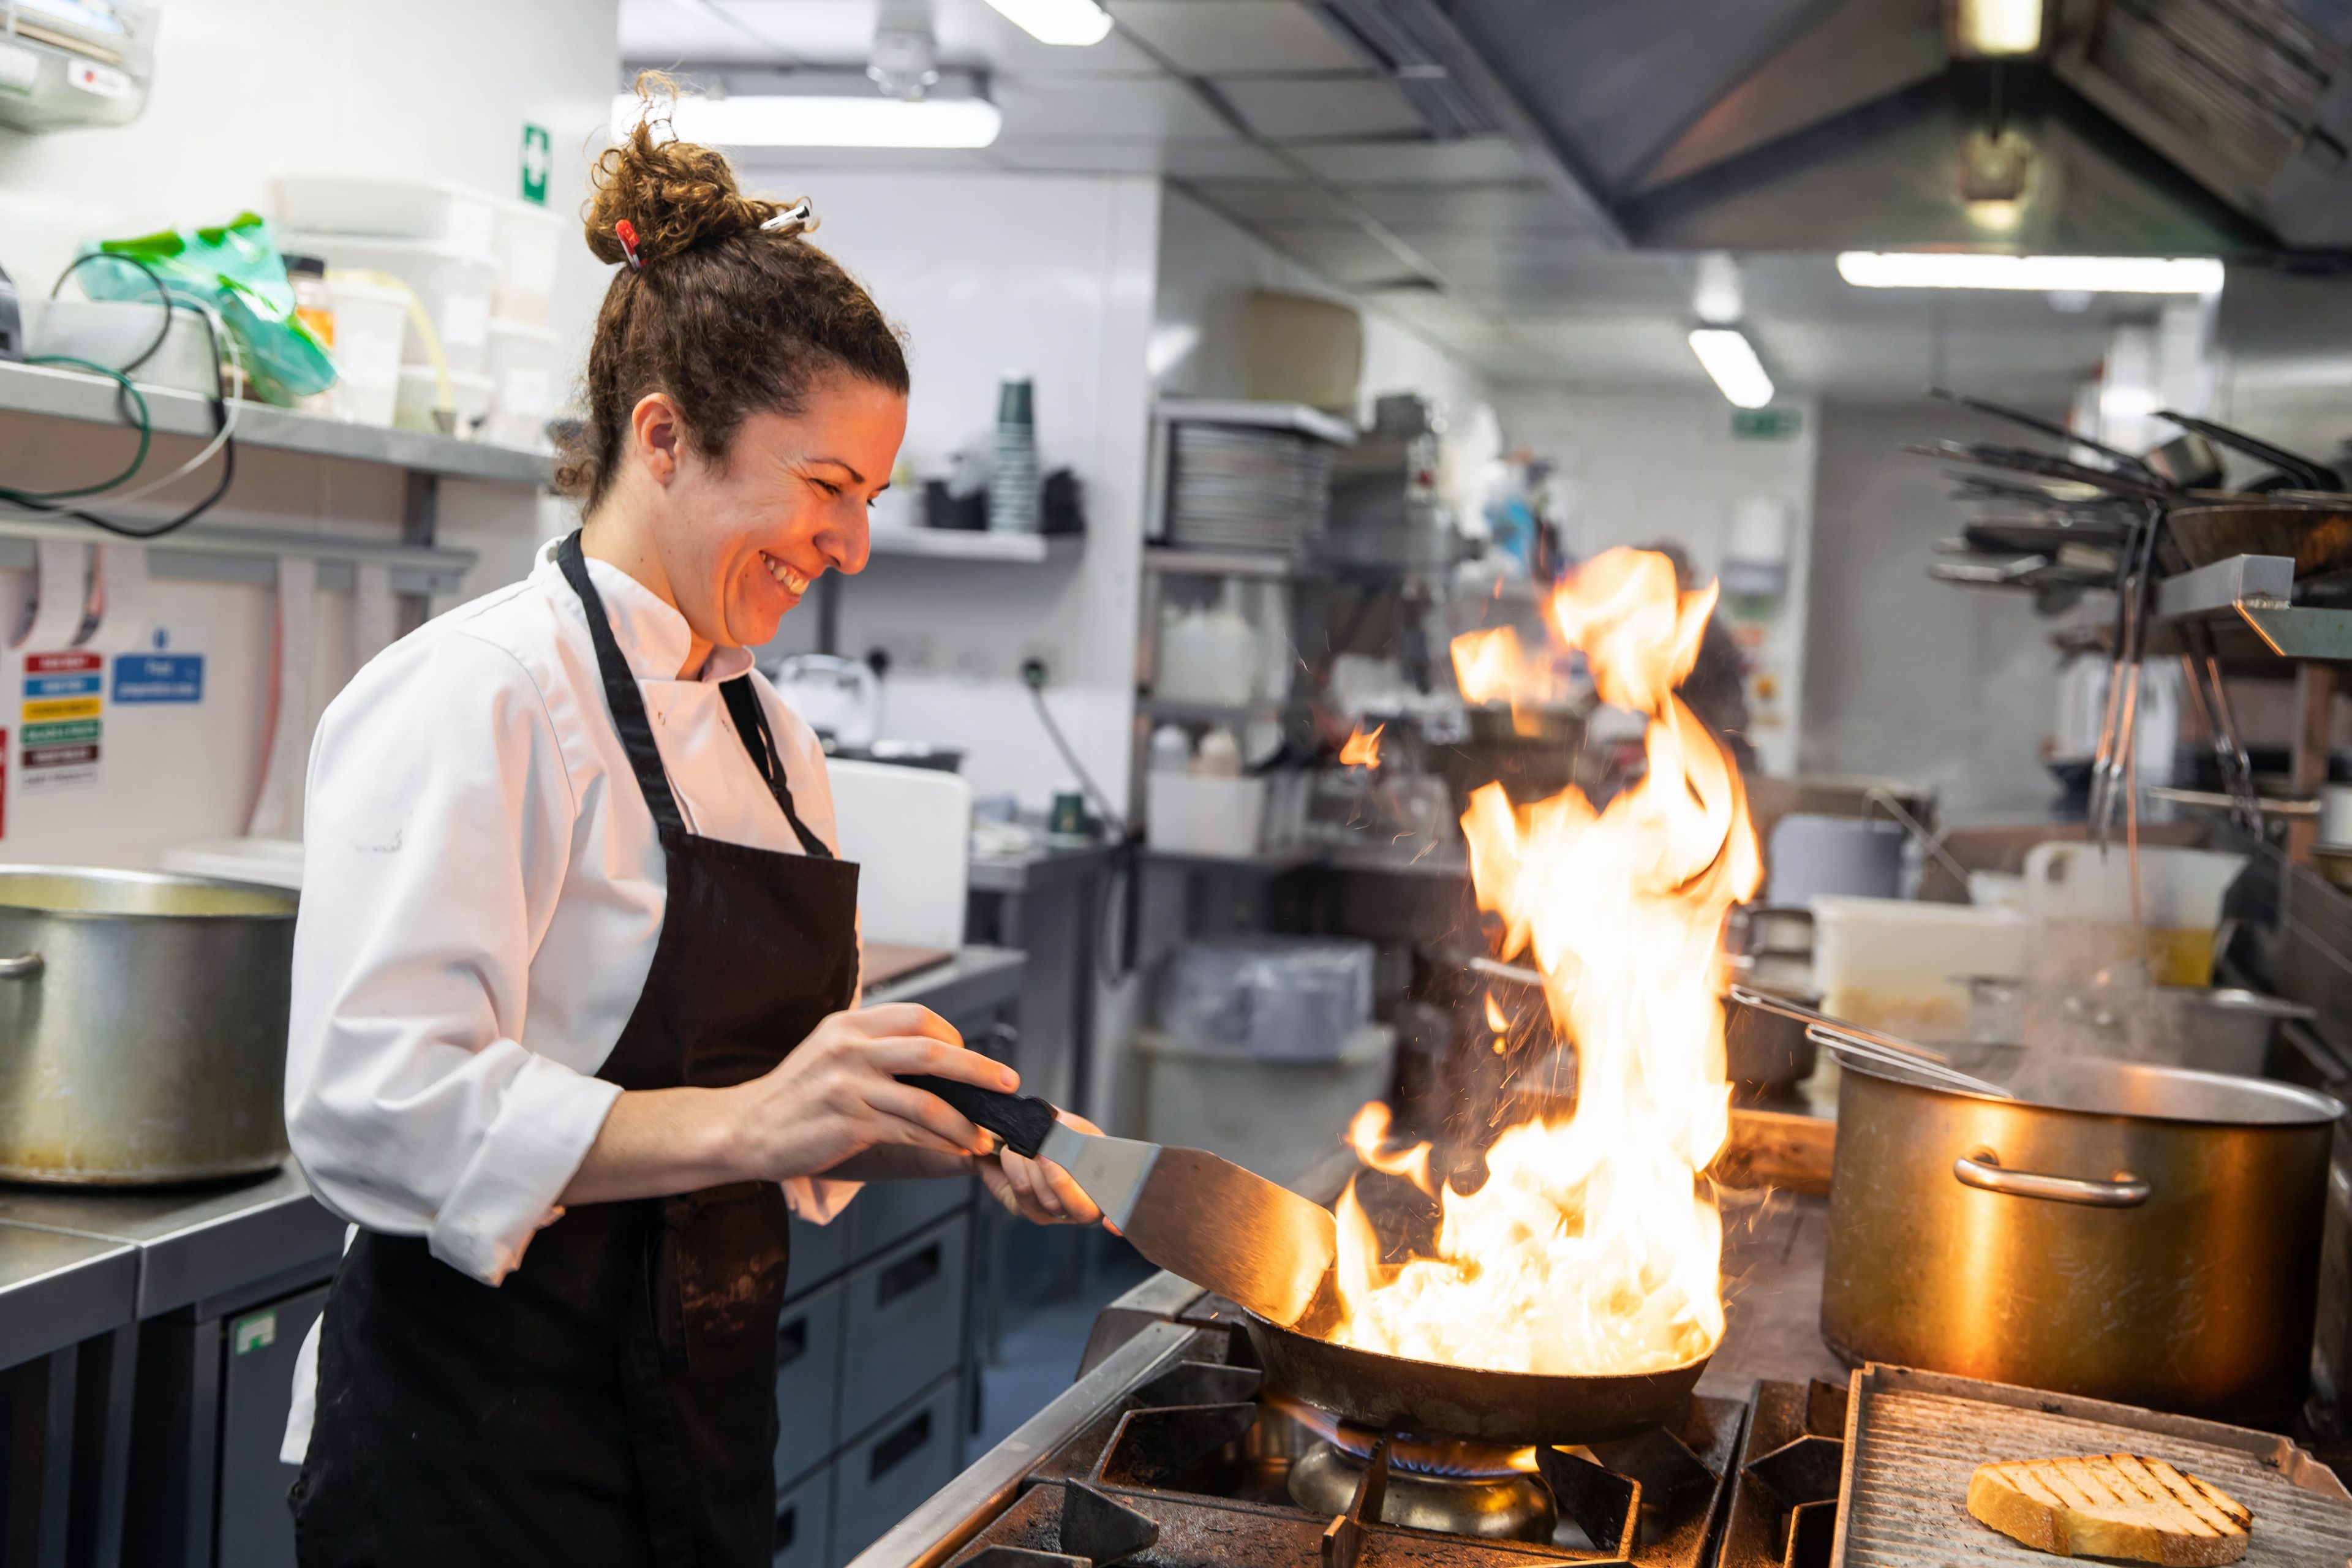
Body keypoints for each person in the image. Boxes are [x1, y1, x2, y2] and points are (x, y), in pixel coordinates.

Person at [281, 89, 1102, 1567]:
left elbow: (803, 1101)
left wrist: (988, 1136)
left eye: (872, 495)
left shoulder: (770, 735)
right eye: (827, 485)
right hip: (470, 1457)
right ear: (664, 437)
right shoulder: (481, 695)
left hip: (703, 1430)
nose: (851, 542)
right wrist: (749, 1117)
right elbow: (369, 1102)